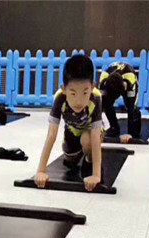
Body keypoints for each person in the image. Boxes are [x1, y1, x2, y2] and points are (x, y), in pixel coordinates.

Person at [35, 54, 104, 192]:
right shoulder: (59, 99)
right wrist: (41, 171)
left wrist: (96, 175)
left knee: (87, 140)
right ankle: (75, 153)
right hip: (71, 131)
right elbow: (51, 135)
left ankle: (88, 159)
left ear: (92, 87)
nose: (78, 101)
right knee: (70, 161)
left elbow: (95, 137)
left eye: (85, 93)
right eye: (73, 94)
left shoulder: (96, 99)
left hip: (89, 131)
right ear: (64, 89)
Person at [99, 62, 141, 143]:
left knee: (131, 106)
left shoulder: (129, 81)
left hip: (127, 78)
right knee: (106, 103)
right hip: (110, 82)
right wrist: (99, 128)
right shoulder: (103, 80)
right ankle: (114, 127)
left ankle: (134, 131)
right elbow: (99, 106)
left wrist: (130, 134)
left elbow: (131, 107)